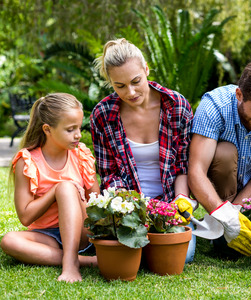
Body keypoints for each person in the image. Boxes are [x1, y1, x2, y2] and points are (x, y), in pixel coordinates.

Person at [90, 38, 196, 262]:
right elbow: (109, 174)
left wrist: (180, 200)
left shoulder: (176, 105)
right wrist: (131, 210)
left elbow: (183, 166)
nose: (130, 92)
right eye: (120, 86)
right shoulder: (102, 115)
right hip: (127, 207)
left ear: (146, 69)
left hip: (169, 205)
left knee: (182, 257)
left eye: (136, 81)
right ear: (111, 82)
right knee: (134, 252)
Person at [188, 57, 251, 256]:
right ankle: (218, 224)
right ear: (239, 95)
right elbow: (196, 171)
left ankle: (221, 229)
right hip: (216, 180)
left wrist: (234, 213)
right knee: (225, 152)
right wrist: (223, 213)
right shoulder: (214, 105)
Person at [0, 93, 100, 283]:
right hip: (49, 236)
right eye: (70, 129)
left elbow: (97, 205)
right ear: (47, 129)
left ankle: (70, 265)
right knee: (9, 241)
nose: (78, 134)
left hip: (82, 233)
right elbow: (26, 217)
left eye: (79, 127)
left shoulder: (81, 155)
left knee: (65, 188)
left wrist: (70, 193)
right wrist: (54, 191)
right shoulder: (27, 161)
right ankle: (87, 261)